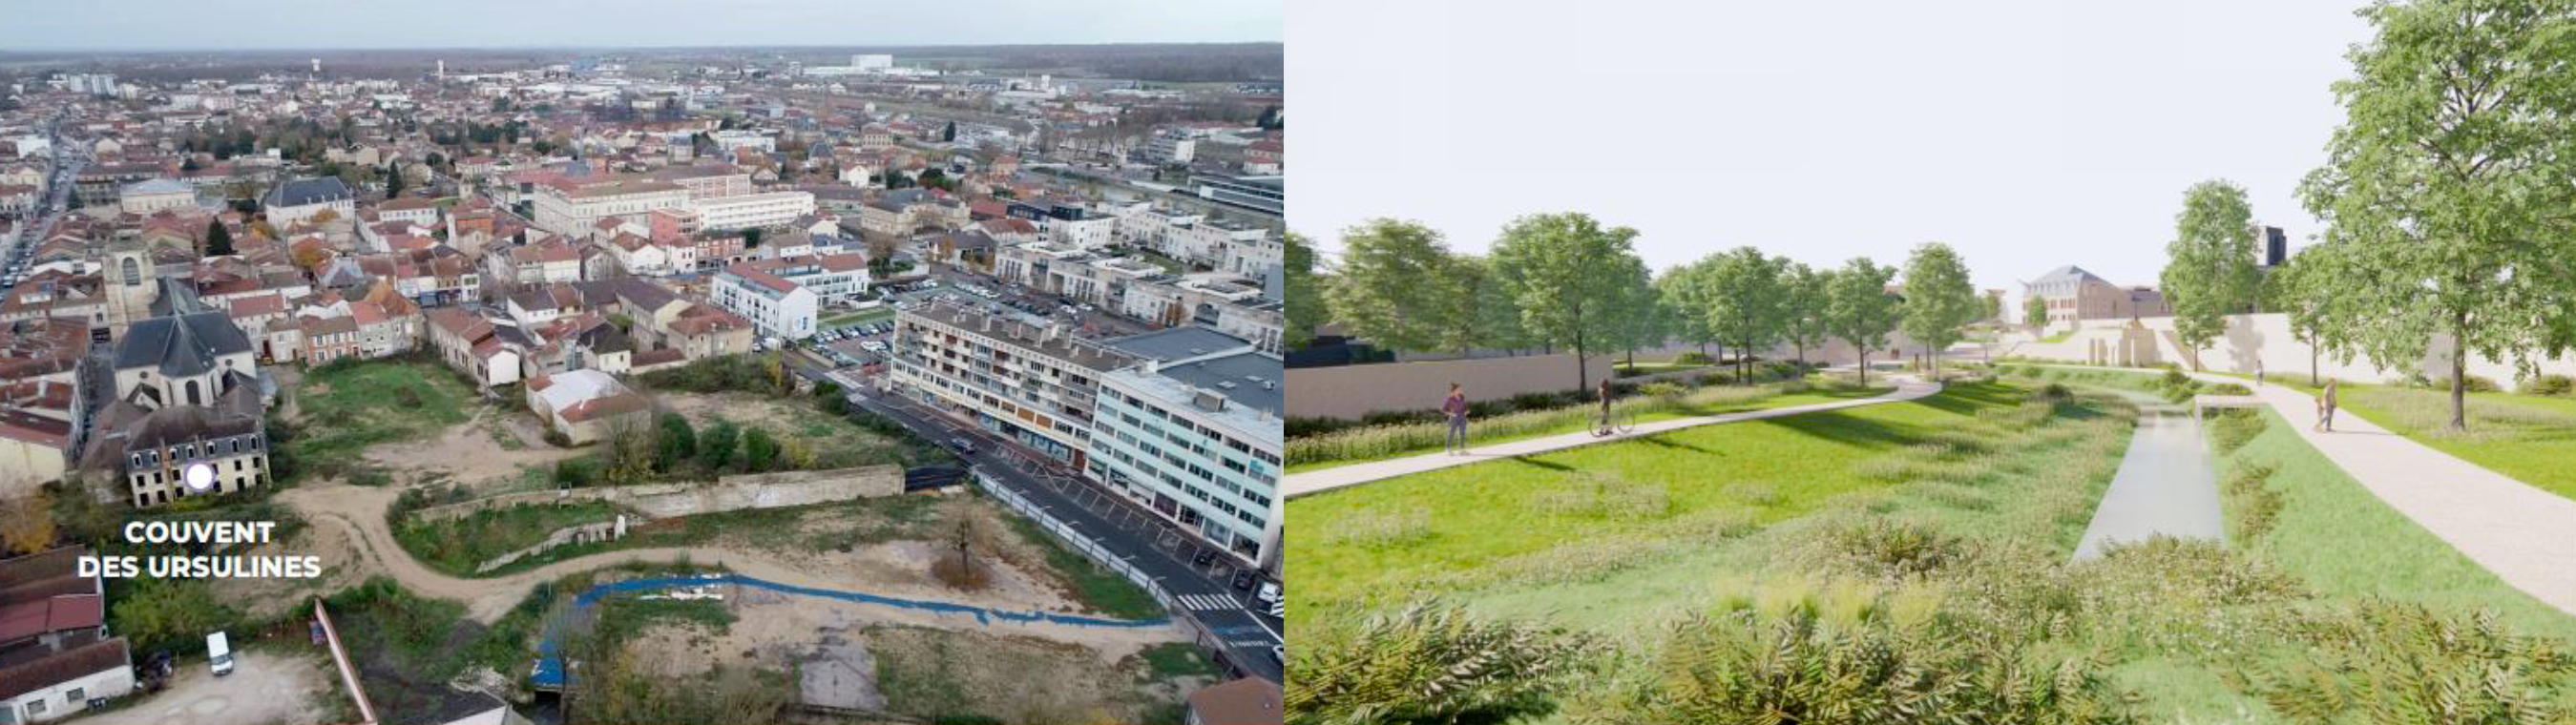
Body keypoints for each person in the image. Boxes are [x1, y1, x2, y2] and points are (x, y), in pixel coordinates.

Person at [1443, 383, 1470, 455]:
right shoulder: (1450, 399)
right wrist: (1452, 414)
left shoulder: (1462, 397)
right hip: (1454, 418)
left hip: (1462, 417)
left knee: (1462, 433)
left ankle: (1461, 449)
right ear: (1454, 390)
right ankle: (1448, 449)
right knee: (1451, 433)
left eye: (1460, 389)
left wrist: (1467, 410)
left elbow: (1465, 406)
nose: (1460, 390)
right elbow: (1444, 410)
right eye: (1459, 389)